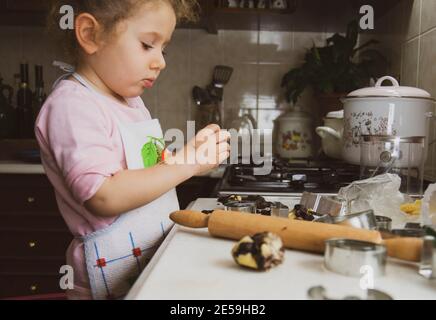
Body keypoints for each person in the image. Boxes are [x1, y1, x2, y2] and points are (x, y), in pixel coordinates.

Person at [35, 0, 231, 300]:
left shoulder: (130, 102)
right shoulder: (72, 105)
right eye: (146, 45)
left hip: (144, 259)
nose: (161, 62)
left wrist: (191, 160)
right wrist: (186, 164)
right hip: (108, 275)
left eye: (163, 49)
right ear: (90, 34)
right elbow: (103, 195)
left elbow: (150, 174)